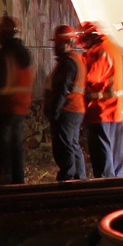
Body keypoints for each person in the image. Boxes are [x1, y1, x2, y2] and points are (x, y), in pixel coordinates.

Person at [0, 16, 33, 185]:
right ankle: (18, 181)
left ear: (3, 34)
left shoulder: (4, 55)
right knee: (15, 146)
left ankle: (5, 180)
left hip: (3, 107)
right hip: (20, 106)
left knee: (2, 147)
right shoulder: (24, 55)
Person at [81, 21, 123, 178]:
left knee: (102, 153)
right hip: (117, 111)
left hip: (101, 111)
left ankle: (104, 186)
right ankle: (118, 184)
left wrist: (82, 62)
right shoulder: (112, 49)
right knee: (116, 153)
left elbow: (90, 78)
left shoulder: (99, 53)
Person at [43, 25, 87, 181]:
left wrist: (54, 111)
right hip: (75, 109)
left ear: (68, 42)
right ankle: (79, 177)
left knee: (64, 145)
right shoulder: (76, 59)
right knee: (72, 144)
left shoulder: (68, 63)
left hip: (67, 109)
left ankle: (68, 177)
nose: (55, 47)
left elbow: (61, 89)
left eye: (58, 43)